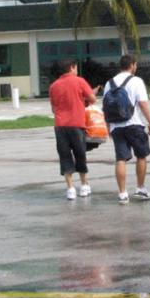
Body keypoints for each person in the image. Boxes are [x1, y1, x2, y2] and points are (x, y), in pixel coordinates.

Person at [103, 54, 150, 205]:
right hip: (134, 124)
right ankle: (140, 188)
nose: (136, 68)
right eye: (136, 65)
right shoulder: (136, 81)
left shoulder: (109, 83)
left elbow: (106, 106)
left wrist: (108, 126)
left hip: (116, 126)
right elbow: (143, 104)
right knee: (141, 156)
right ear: (132, 65)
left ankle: (122, 193)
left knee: (120, 159)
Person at [48, 59, 98, 200]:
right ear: (72, 67)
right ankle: (84, 185)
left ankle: (70, 188)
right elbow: (93, 99)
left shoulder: (53, 86)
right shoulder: (79, 81)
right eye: (75, 67)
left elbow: (53, 108)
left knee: (65, 156)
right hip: (76, 124)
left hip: (60, 126)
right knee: (80, 154)